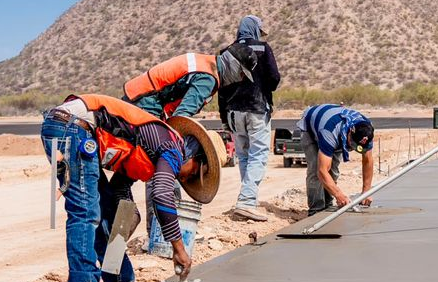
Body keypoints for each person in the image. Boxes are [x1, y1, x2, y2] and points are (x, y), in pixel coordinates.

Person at [40, 93, 220, 282]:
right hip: (73, 128)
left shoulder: (151, 148)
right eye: (194, 173)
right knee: (85, 215)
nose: (186, 178)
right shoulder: (172, 148)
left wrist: (126, 218)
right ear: (194, 157)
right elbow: (162, 195)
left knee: (104, 215)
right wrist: (179, 248)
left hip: (73, 129)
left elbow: (119, 191)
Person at [217, 15, 282, 221]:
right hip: (257, 108)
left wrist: (224, 118)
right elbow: (274, 79)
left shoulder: (225, 52)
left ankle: (248, 201)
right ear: (255, 30)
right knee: (258, 155)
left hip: (233, 112)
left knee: (244, 156)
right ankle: (246, 201)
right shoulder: (263, 49)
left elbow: (221, 88)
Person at [298, 103, 376, 215]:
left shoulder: (367, 131)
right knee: (316, 170)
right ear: (350, 131)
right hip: (311, 128)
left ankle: (328, 206)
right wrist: (339, 194)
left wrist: (366, 191)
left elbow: (368, 160)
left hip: (336, 132)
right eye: (352, 144)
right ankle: (316, 210)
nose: (353, 148)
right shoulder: (330, 131)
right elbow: (322, 171)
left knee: (333, 171)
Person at [124, 52, 219, 119]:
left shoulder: (206, 63)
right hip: (146, 99)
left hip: (141, 94)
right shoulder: (208, 78)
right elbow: (182, 115)